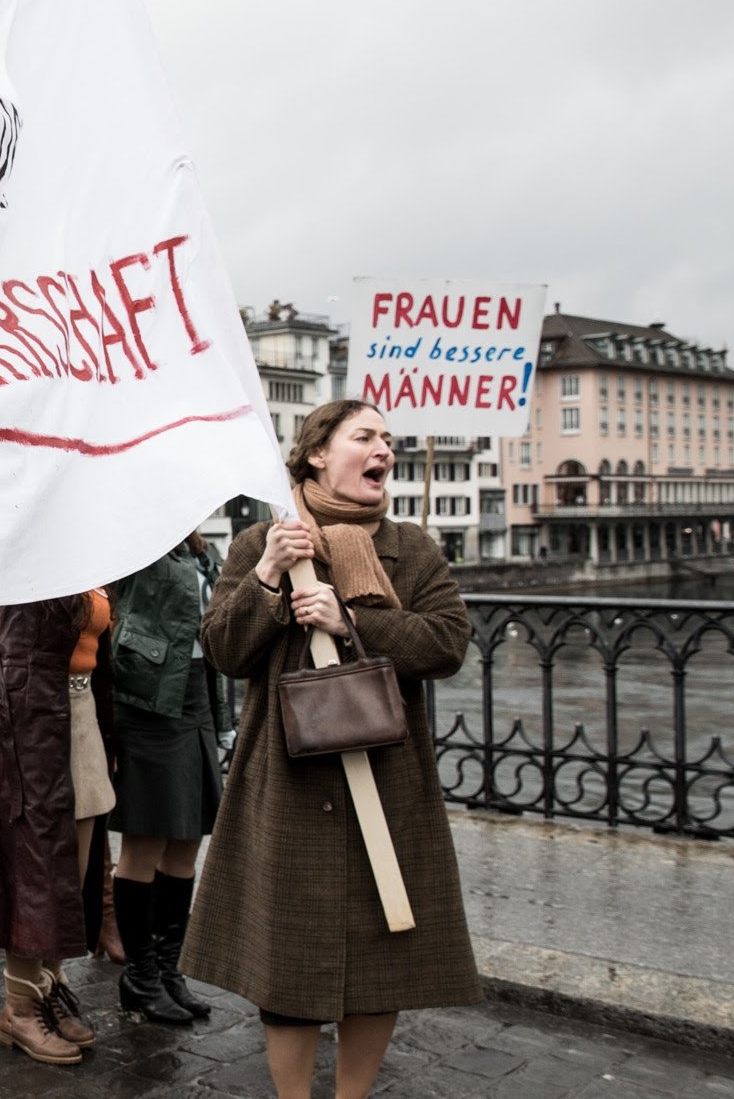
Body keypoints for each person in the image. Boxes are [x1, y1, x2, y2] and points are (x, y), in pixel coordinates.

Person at [182, 399, 480, 1099]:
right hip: (285, 777)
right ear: (318, 451)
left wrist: (355, 624)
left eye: (389, 440)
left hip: (388, 779)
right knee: (289, 953)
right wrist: (267, 580)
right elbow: (223, 650)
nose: (386, 449)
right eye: (367, 436)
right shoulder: (263, 541)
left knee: (384, 955)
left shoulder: (413, 547)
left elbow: (448, 643)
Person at [0, 592, 115, 1066]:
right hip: (36, 722)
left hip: (77, 717)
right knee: (36, 869)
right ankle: (19, 1008)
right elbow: (18, 660)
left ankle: (47, 988)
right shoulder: (38, 556)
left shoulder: (89, 555)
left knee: (69, 874)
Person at [107, 533, 225, 1023]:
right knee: (146, 842)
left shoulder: (201, 551)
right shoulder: (137, 541)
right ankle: (140, 976)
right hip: (148, 700)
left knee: (186, 839)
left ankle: (168, 970)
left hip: (196, 697)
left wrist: (202, 553)